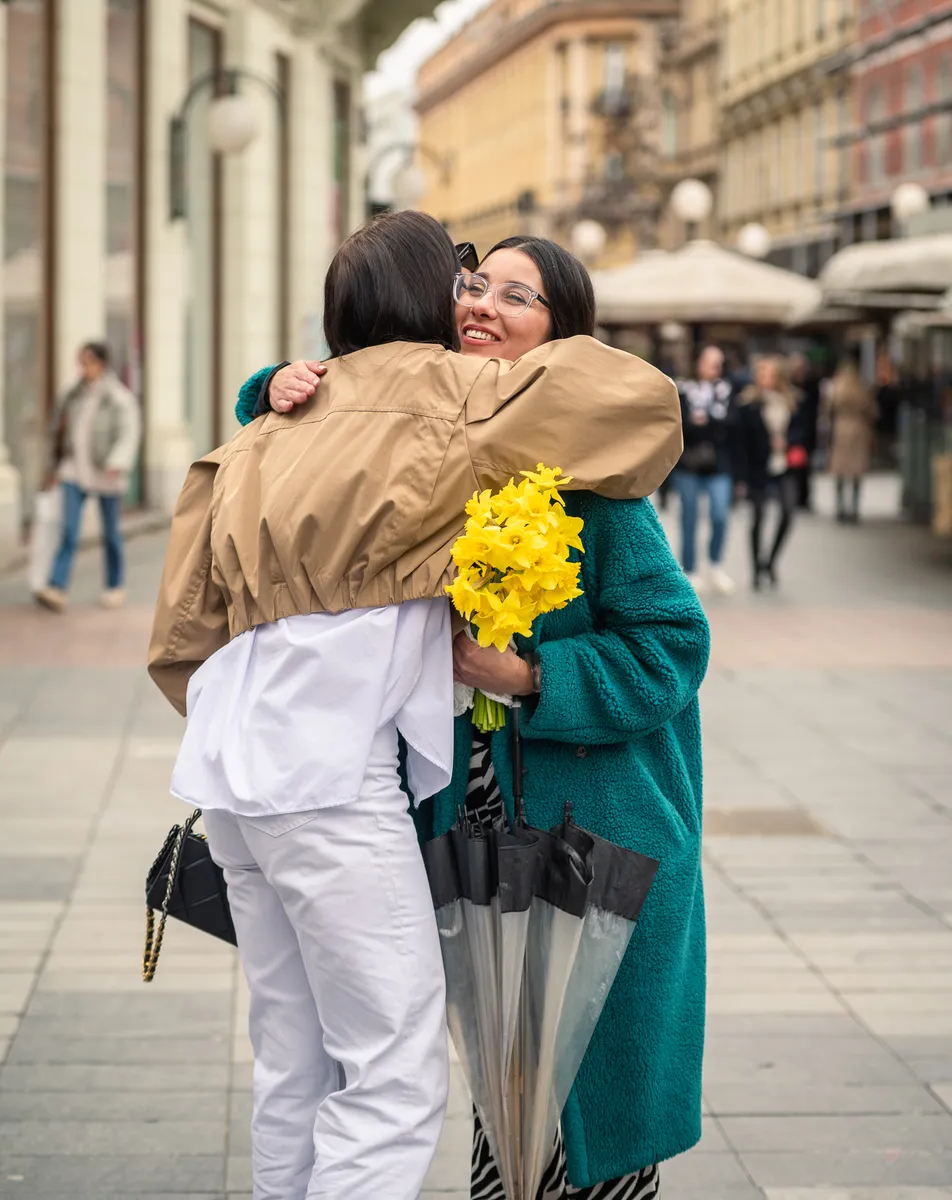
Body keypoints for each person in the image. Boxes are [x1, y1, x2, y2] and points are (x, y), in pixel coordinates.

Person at [150, 213, 683, 1200]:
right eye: (467, 285)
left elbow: (181, 634)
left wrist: (279, 386)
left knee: (295, 1061)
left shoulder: (268, 429)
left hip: (231, 772)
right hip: (332, 781)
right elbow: (647, 409)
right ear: (431, 301)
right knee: (392, 1076)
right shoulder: (464, 400)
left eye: (508, 294)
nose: (477, 305)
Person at [34, 341, 140, 613]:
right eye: (80, 361)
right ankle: (56, 587)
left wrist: (118, 461)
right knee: (68, 530)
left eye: (88, 362)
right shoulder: (72, 394)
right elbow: (56, 432)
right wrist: (53, 468)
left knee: (111, 534)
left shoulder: (117, 397)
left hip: (106, 473)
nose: (83, 367)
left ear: (101, 364)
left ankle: (115, 586)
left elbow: (129, 432)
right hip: (73, 470)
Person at [733, 355, 803, 589]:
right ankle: (756, 569)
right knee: (759, 516)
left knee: (788, 512)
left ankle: (770, 561)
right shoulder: (748, 404)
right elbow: (741, 443)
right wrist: (740, 478)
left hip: (784, 466)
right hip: (758, 469)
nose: (766, 380)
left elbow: (800, 432)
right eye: (762, 375)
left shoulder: (790, 402)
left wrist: (787, 442)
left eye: (771, 375)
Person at [674, 344, 737, 594]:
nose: (715, 368)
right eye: (711, 362)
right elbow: (681, 424)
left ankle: (715, 564)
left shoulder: (727, 390)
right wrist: (710, 423)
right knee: (689, 516)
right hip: (689, 464)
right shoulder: (683, 390)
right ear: (698, 363)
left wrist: (705, 421)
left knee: (720, 514)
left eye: (719, 363)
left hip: (719, 465)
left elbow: (731, 425)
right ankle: (690, 569)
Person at [826, 355, 878, 523]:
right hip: (859, 430)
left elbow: (827, 409)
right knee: (856, 473)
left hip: (840, 430)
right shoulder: (862, 389)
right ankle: (854, 508)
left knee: (839, 471)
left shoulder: (835, 389)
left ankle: (840, 507)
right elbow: (872, 411)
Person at [787, 351, 821, 511]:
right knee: (793, 467)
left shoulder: (812, 385)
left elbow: (814, 411)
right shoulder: (788, 386)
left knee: (806, 467)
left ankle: (804, 497)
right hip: (792, 433)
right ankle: (793, 497)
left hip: (807, 433)